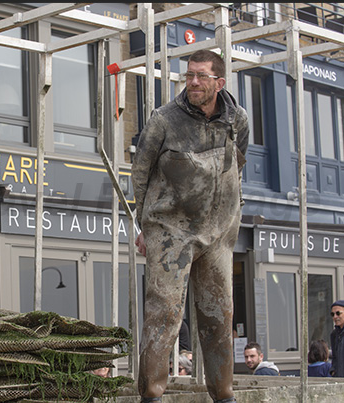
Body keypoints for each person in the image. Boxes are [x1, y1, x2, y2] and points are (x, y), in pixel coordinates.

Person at [133, 48, 249, 403]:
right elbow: (141, 174)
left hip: (218, 231)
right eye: (189, 76)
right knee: (164, 311)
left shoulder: (237, 119)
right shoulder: (163, 120)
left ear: (219, 82)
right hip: (171, 230)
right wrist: (146, 226)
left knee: (218, 315)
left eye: (201, 76)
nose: (193, 82)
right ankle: (151, 394)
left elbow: (237, 163)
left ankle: (224, 395)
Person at [330, 299, 344, 377]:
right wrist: (333, 370)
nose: (335, 317)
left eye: (338, 313)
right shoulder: (334, 334)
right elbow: (334, 357)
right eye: (333, 314)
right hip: (338, 380)